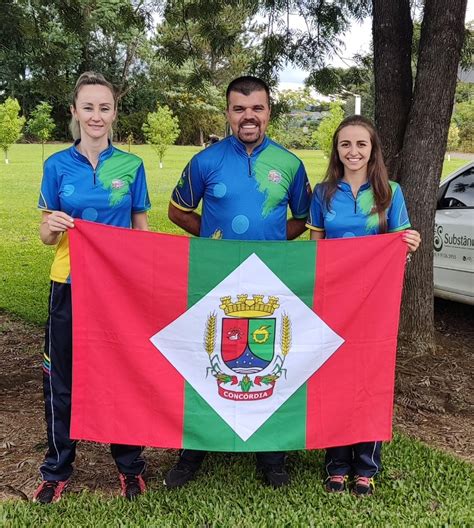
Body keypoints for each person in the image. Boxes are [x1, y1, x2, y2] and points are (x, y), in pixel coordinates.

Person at [166, 75, 312, 488]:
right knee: (204, 358)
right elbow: (178, 212)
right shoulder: (205, 161)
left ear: (269, 112)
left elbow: (302, 219)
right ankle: (192, 452)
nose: (248, 116)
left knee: (274, 361)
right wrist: (215, 240)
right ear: (228, 113)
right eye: (239, 108)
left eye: (257, 108)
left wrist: (270, 246)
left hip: (270, 279)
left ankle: (272, 455)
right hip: (214, 276)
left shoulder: (289, 164)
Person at [33, 72, 151, 504]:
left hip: (118, 292)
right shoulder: (56, 166)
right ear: (75, 112)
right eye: (88, 107)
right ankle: (57, 469)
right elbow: (46, 236)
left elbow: (141, 231)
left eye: (104, 107)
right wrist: (53, 226)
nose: (96, 116)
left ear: (114, 113)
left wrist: (145, 278)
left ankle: (130, 467)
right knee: (61, 379)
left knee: (123, 374)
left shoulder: (132, 166)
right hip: (68, 283)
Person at [306, 115, 421, 497]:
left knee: (369, 379)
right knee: (334, 378)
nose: (353, 152)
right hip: (332, 303)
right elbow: (315, 250)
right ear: (336, 151)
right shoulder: (322, 193)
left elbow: (396, 245)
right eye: (345, 145)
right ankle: (336, 464)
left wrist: (408, 244)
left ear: (373, 151)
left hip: (374, 304)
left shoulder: (391, 192)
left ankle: (366, 466)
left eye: (361, 145)